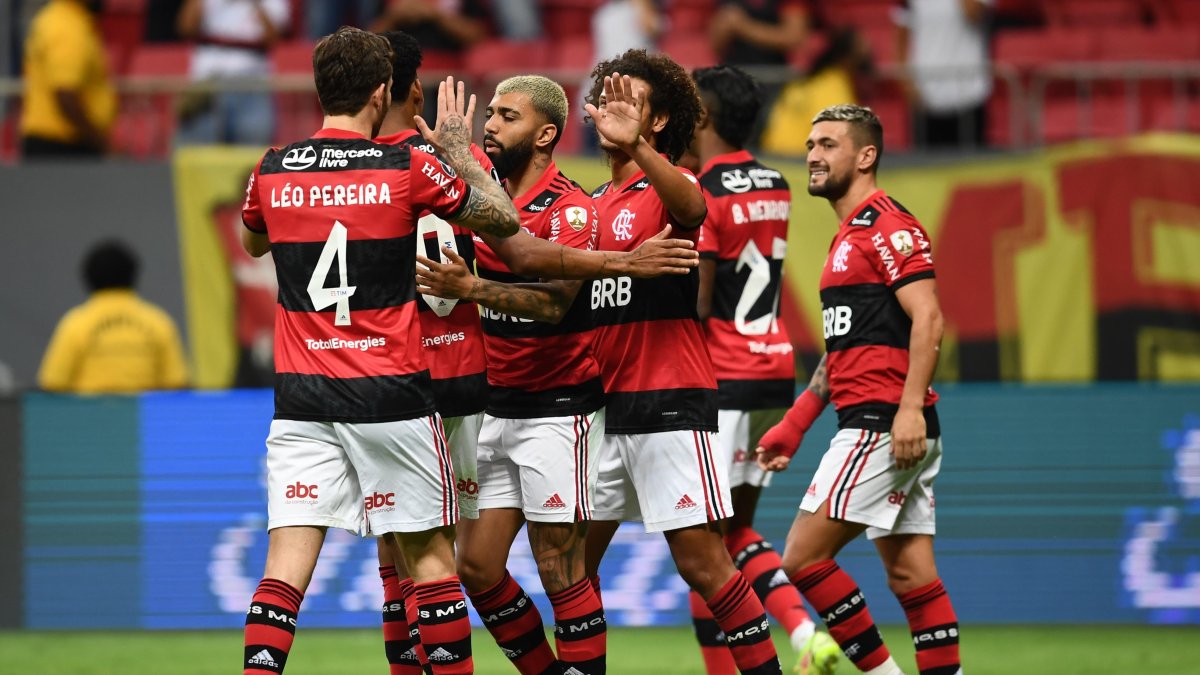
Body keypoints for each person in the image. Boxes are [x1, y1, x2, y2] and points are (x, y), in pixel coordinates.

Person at [237, 26, 520, 675]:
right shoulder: (407, 167)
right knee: (428, 560)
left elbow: (255, 246)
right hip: (390, 393)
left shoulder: (273, 167)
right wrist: (458, 154)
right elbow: (501, 221)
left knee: (284, 571)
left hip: (302, 399)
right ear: (382, 91)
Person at [580, 48, 783, 675]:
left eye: (631, 100)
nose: (613, 108)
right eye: (607, 97)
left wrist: (639, 148)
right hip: (601, 409)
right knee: (569, 567)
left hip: (668, 401)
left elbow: (695, 211)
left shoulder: (675, 186)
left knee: (704, 563)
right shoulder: (590, 203)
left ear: (661, 121)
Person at [755, 104, 962, 675]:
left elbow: (930, 318)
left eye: (828, 145)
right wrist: (797, 421)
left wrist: (910, 409)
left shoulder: (889, 224)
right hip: (884, 421)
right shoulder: (850, 235)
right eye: (811, 145)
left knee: (801, 557)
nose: (813, 156)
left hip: (882, 423)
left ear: (866, 156)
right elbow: (844, 352)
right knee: (911, 576)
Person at [420, 74, 607, 675]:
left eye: (508, 115)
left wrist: (471, 288)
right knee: (476, 569)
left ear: (547, 133)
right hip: (493, 407)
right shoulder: (481, 195)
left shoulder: (572, 208)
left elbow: (556, 303)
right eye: (490, 115)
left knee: (559, 565)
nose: (492, 125)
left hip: (560, 410)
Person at [687, 64, 839, 675]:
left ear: (704, 117)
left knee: (701, 546)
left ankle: (801, 630)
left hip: (720, 376)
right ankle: (799, 632)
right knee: (731, 536)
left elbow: (697, 299)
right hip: (773, 366)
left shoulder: (701, 189)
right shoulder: (775, 181)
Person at [38, 240, 189, 394]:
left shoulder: (75, 323)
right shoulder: (158, 321)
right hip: (144, 415)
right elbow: (175, 382)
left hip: (89, 415)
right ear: (133, 275)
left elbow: (53, 381)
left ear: (88, 278)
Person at [176, 0, 291, 146]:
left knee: (255, 158)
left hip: (252, 83)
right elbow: (186, 28)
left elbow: (274, 37)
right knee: (198, 155)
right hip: (207, 83)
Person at [20, 0, 115, 158]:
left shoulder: (53, 17)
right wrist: (100, 142)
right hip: (63, 145)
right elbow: (65, 95)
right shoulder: (67, 28)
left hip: (49, 140)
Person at [896, 0, 992, 148]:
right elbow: (900, 40)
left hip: (969, 96)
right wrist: (908, 85)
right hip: (925, 98)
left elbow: (973, 14)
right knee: (927, 168)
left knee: (972, 167)